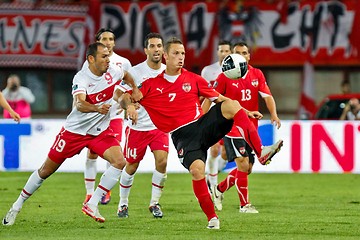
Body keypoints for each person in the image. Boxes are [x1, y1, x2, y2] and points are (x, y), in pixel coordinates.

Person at [116, 37, 283, 230]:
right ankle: (212, 218)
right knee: (197, 171)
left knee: (230, 104)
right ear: (165, 57)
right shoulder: (152, 84)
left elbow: (219, 98)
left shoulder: (193, 79)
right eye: (176, 53)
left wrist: (245, 112)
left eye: (183, 54)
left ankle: (261, 151)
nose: (180, 57)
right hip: (183, 137)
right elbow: (126, 96)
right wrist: (129, 106)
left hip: (202, 125)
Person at [2, 42, 140, 226]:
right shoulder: (81, 78)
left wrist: (133, 94)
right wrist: (97, 108)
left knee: (119, 161)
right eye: (104, 56)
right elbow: (80, 104)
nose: (108, 60)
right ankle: (16, 206)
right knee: (45, 170)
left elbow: (126, 76)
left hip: (98, 132)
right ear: (91, 59)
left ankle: (92, 202)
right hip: (74, 132)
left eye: (109, 55)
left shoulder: (114, 71)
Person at [203, 41, 281, 213]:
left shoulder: (256, 74)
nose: (241, 55)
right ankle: (244, 205)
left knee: (247, 169)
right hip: (231, 127)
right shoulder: (225, 76)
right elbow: (210, 96)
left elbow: (267, 96)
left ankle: (219, 189)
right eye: (237, 52)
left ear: (249, 56)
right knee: (242, 164)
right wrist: (202, 118)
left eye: (244, 53)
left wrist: (273, 114)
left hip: (250, 128)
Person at [117, 33, 168, 219]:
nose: (156, 49)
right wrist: (129, 105)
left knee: (162, 161)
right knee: (131, 166)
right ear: (146, 50)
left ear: (163, 50)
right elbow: (119, 94)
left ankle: (154, 203)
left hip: (159, 127)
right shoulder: (136, 72)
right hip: (137, 128)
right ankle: (123, 203)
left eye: (159, 46)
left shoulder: (168, 72)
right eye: (152, 46)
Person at [83, 28, 132, 205]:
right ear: (98, 42)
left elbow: (130, 85)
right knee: (92, 154)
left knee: (113, 153)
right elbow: (85, 86)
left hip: (115, 116)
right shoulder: (90, 63)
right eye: (104, 39)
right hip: (96, 116)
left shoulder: (123, 62)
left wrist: (126, 104)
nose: (108, 42)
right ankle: (89, 193)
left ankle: (105, 190)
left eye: (111, 39)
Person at [200, 40, 232, 191]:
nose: (224, 53)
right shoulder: (208, 71)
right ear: (217, 52)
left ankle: (211, 173)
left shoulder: (235, 70)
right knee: (213, 150)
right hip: (214, 115)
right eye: (222, 50)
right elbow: (202, 93)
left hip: (229, 115)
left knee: (225, 153)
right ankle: (212, 184)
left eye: (227, 51)